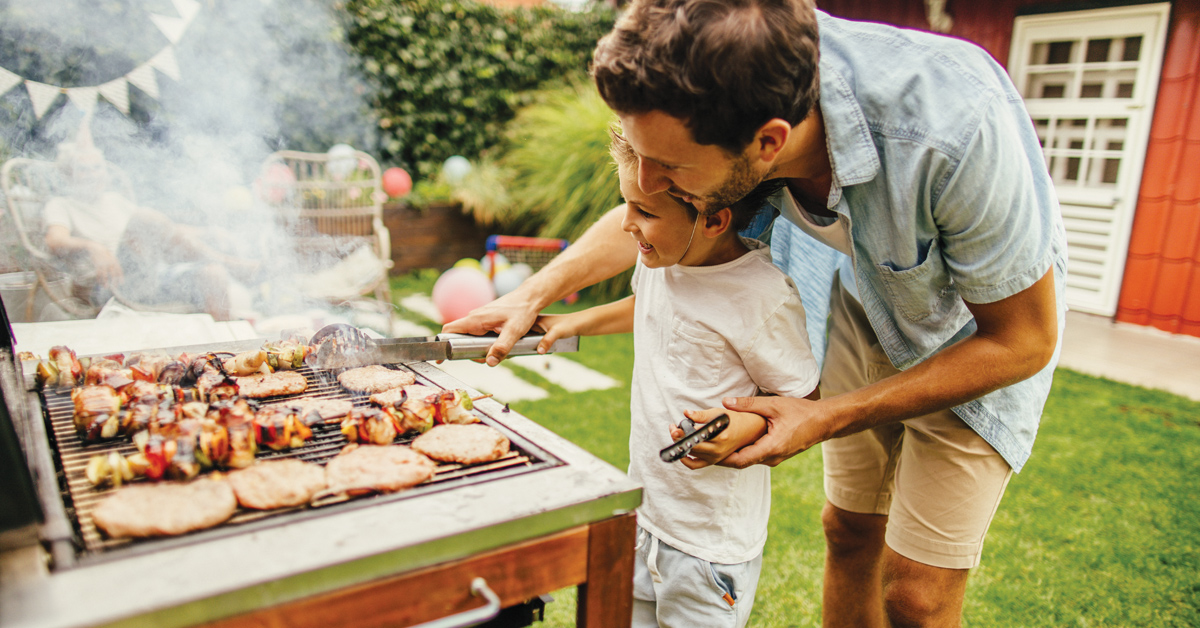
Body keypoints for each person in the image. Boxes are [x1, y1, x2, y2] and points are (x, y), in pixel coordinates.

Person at [444, 1, 1068, 626]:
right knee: (849, 531)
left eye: (671, 169)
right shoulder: (731, 99)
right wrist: (534, 294)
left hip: (973, 332)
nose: (649, 182)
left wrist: (825, 416)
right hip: (862, 294)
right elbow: (653, 211)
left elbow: (1024, 340)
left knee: (916, 599)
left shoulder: (953, 129)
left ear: (769, 142)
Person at [533, 129, 819, 627]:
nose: (626, 225)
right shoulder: (663, 262)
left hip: (708, 545)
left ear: (713, 220)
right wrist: (572, 322)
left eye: (644, 212)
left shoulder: (762, 297)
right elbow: (649, 306)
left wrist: (740, 430)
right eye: (627, 205)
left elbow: (802, 400)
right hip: (645, 516)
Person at [43, 137, 255, 321]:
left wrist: (207, 232)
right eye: (83, 169)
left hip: (146, 280)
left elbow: (163, 230)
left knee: (212, 274)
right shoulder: (61, 204)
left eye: (97, 167)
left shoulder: (114, 201)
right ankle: (231, 264)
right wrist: (92, 247)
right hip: (108, 285)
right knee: (145, 217)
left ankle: (225, 354)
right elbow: (54, 240)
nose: (92, 174)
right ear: (68, 174)